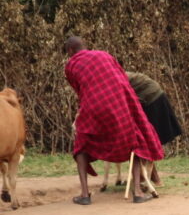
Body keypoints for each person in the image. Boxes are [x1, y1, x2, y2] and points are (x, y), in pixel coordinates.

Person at [64, 36, 163, 205]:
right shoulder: (104, 55)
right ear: (85, 47)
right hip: (119, 102)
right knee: (136, 138)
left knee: (80, 145)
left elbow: (80, 91)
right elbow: (123, 79)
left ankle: (85, 194)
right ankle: (137, 192)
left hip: (93, 105)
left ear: (70, 51)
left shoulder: (71, 65)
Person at [126, 71, 182, 184]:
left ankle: (145, 178)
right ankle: (152, 177)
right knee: (145, 140)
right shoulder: (116, 76)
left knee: (147, 140)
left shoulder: (115, 79)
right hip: (149, 99)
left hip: (152, 100)